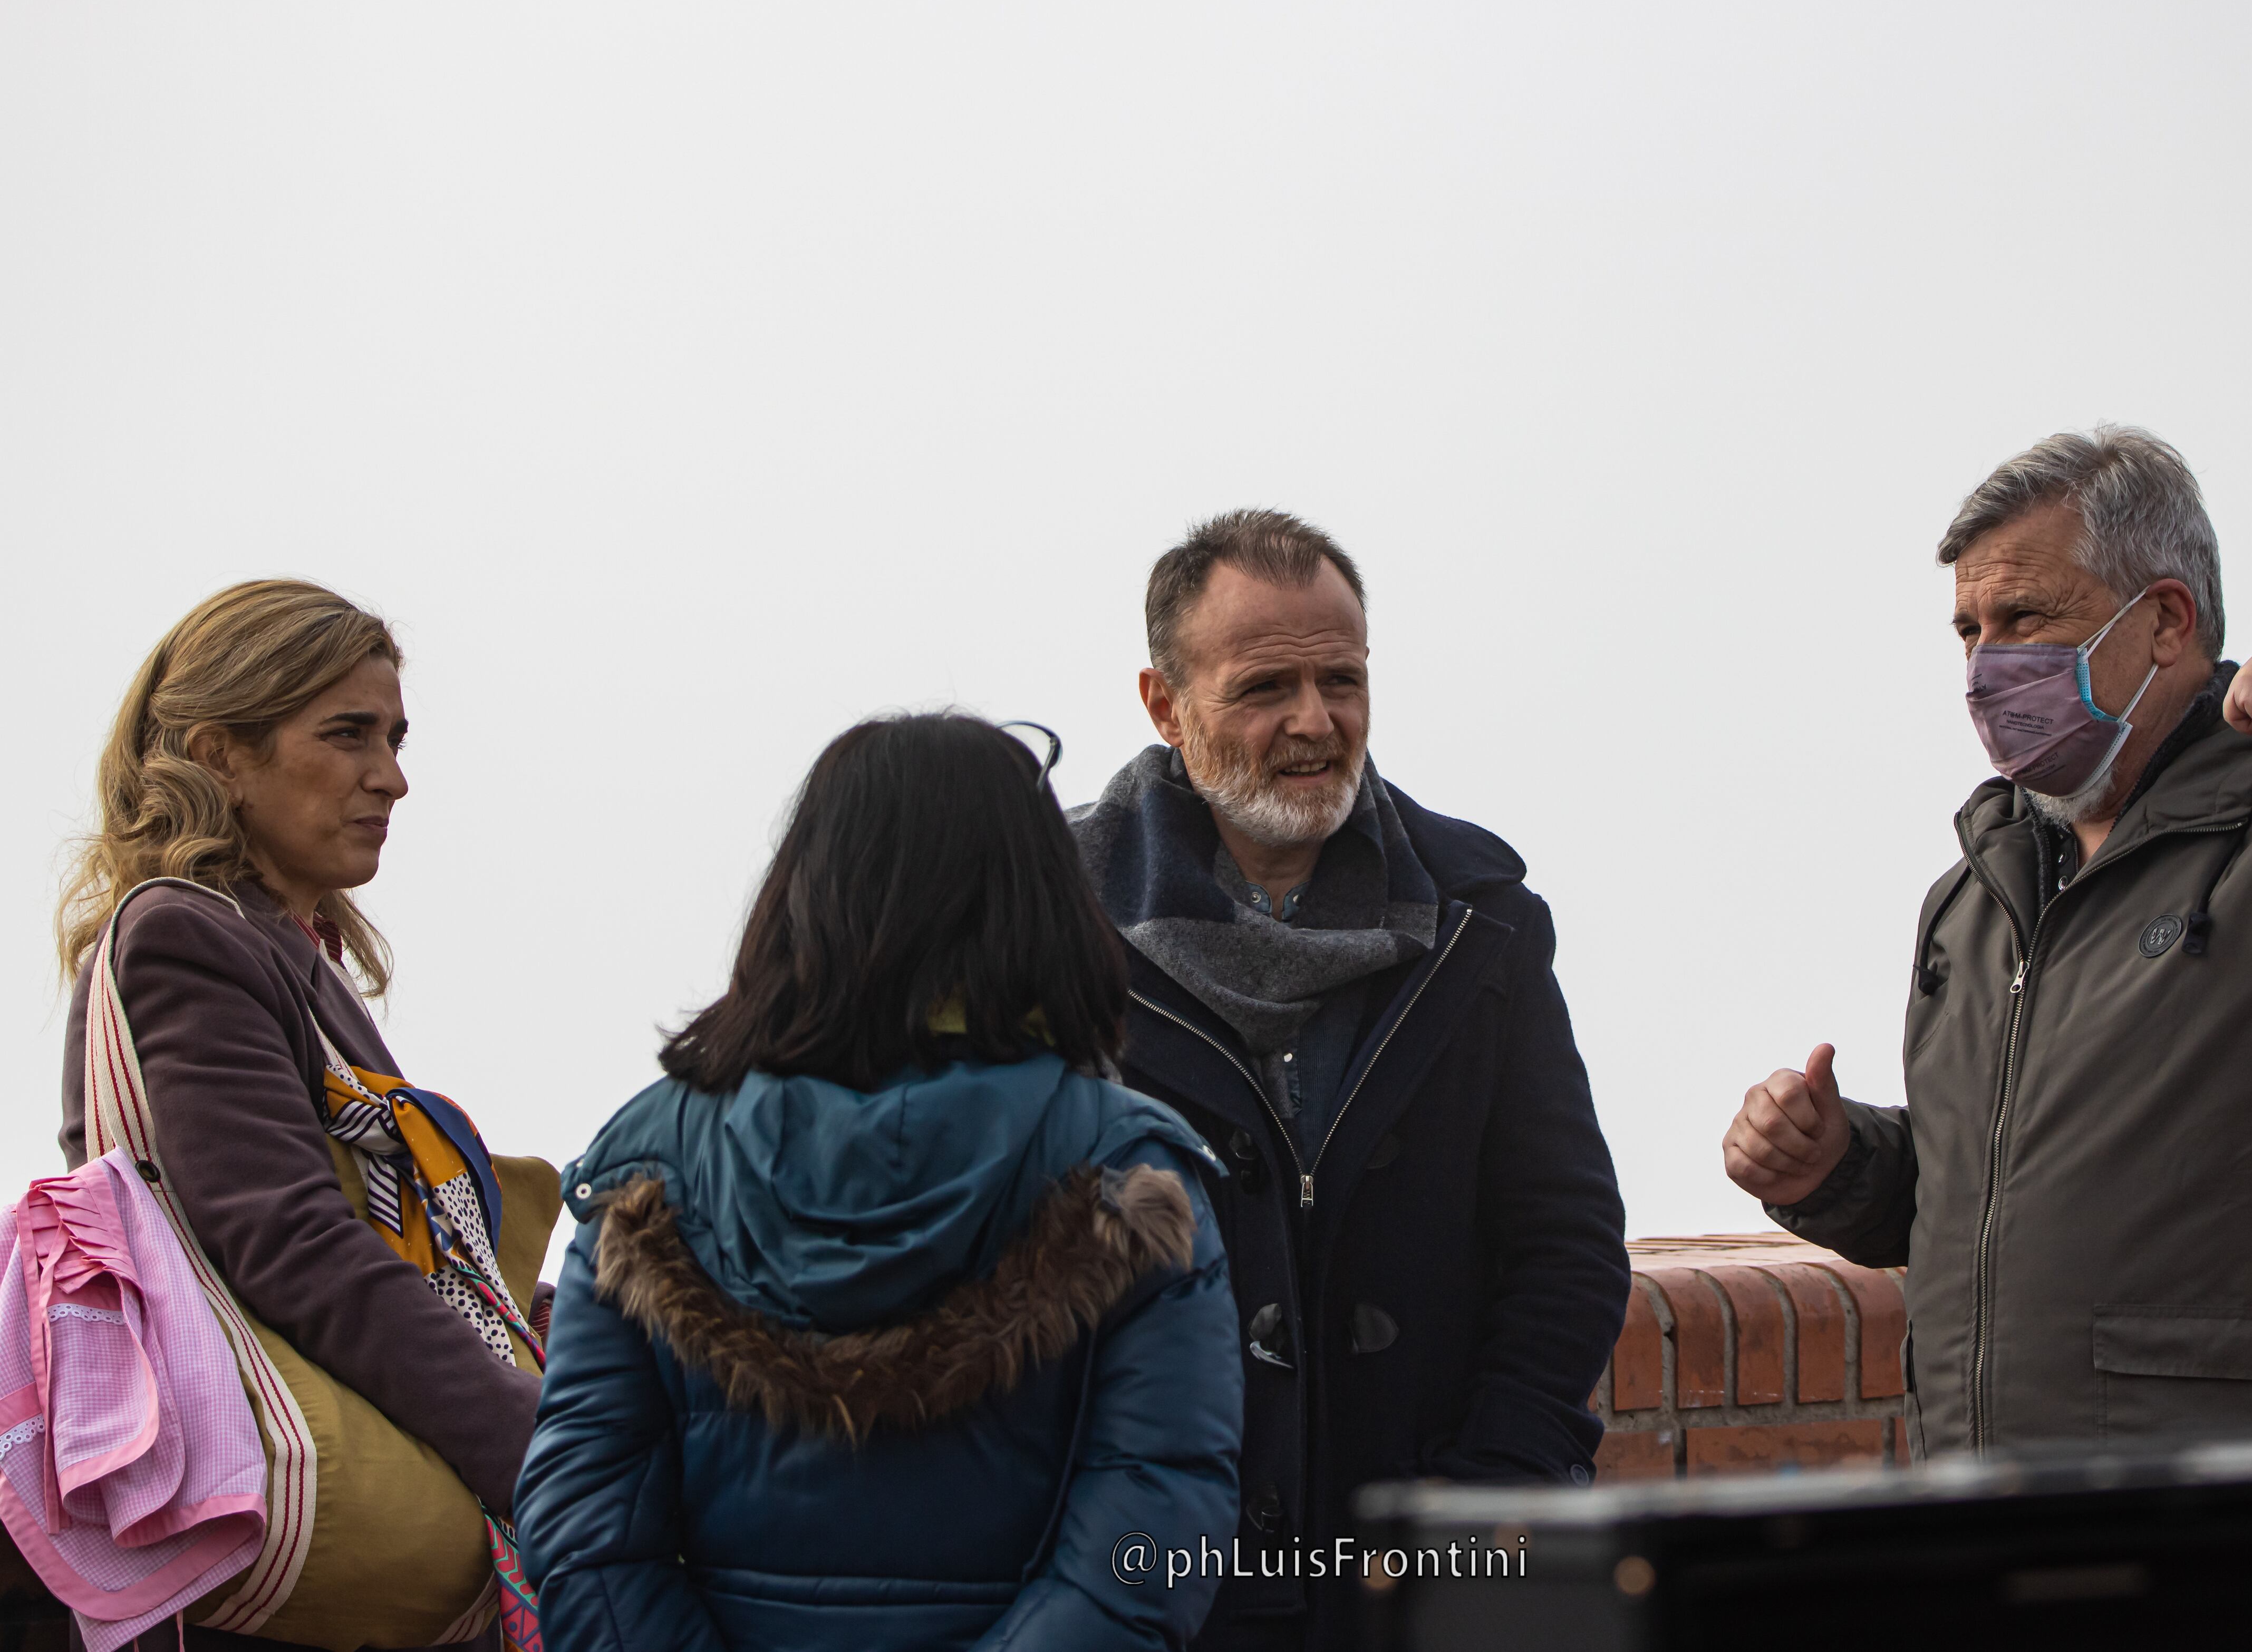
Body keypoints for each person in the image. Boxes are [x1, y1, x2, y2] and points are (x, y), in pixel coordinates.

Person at [1722, 426, 2252, 1453]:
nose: (1990, 664)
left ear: (2167, 620)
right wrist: (1835, 1166)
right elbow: (1994, 1204)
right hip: (2003, 1529)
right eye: (1969, 629)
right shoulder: (1979, 891)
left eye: (2026, 616)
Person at [517, 712, 1242, 1651]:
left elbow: (585, 1516)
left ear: (803, 894)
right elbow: (1154, 1518)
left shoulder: (648, 1166)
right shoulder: (1130, 1176)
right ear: (1040, 899)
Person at [1072, 510, 1630, 1652]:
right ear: (1163, 703)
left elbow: (1565, 1239)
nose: (1315, 722)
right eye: (1266, 685)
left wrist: (1494, 1495)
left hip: (1424, 1573)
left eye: (1342, 678)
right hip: (1150, 1583)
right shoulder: (1054, 929)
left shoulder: (1483, 918)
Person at [55, 580, 548, 1651]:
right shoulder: (186, 935)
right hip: (263, 1541)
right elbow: (288, 1242)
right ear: (218, 752)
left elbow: (392, 1246)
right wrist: (540, 1450)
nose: (393, 776)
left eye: (396, 735)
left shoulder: (285, 952)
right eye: (348, 734)